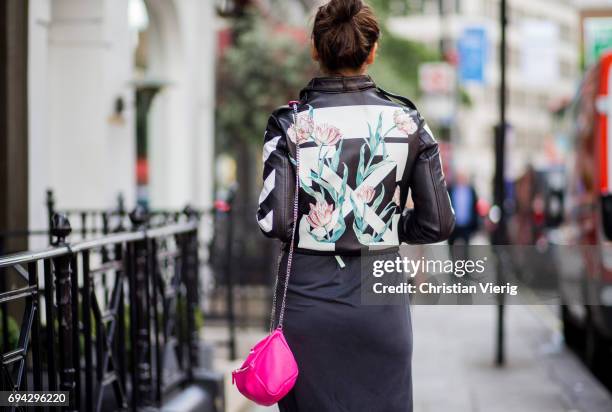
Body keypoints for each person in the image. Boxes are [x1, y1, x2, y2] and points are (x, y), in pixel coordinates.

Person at [255, 1, 455, 410]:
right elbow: (438, 224)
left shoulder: (289, 124)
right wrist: (386, 224)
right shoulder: (408, 123)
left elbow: (273, 220)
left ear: (315, 48)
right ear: (373, 50)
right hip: (381, 305)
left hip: (308, 304)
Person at [448, 172, 479, 253]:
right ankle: (454, 264)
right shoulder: (451, 189)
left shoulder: (471, 190)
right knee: (451, 248)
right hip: (454, 225)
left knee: (466, 250)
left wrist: (475, 223)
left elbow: (475, 207)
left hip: (467, 225)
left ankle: (466, 264)